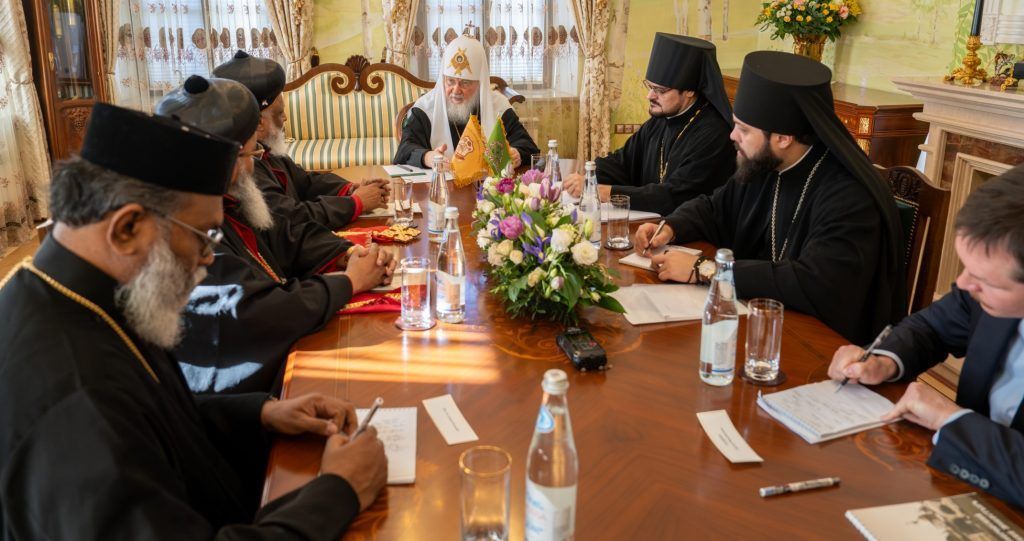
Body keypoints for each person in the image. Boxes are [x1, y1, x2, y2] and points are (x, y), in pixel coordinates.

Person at [0, 102, 387, 538]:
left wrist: (263, 412)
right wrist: (340, 490)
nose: (208, 259)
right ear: (127, 228)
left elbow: (154, 415)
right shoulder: (71, 397)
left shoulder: (85, 291)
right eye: (204, 236)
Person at [635, 51, 905, 344]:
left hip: (819, 343)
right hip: (761, 319)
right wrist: (671, 226)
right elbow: (714, 208)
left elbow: (814, 281)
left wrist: (706, 270)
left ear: (783, 138)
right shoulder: (766, 164)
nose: (731, 136)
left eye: (743, 129)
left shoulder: (848, 195)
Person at [156, 75, 396, 394]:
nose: (257, 166)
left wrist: (347, 254)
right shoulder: (192, 227)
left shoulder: (226, 201)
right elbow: (257, 311)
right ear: (223, 161)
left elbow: (283, 236)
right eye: (251, 156)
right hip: (248, 387)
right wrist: (351, 281)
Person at [827, 165, 1024, 507]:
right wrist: (882, 360)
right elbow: (932, 327)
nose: (963, 285)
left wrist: (952, 420)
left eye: (986, 281)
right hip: (958, 488)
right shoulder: (981, 292)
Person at [214, 50, 390, 230]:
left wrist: (351, 189)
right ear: (259, 122)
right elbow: (292, 217)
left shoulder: (264, 149)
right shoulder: (245, 166)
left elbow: (306, 182)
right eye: (279, 113)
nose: (286, 118)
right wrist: (356, 203)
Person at [564, 33, 735, 215]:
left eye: (659, 90)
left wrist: (604, 192)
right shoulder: (661, 120)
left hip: (697, 235)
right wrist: (589, 176)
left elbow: (675, 196)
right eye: (650, 87)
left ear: (689, 91)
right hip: (654, 223)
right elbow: (623, 161)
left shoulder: (714, 134)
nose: (650, 96)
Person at [392, 34, 540, 169]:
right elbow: (404, 150)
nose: (456, 90)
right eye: (450, 81)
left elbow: (528, 146)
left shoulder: (498, 107)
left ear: (479, 84)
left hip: (486, 189)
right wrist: (427, 157)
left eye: (465, 83)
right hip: (441, 191)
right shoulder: (425, 109)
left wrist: (516, 153)